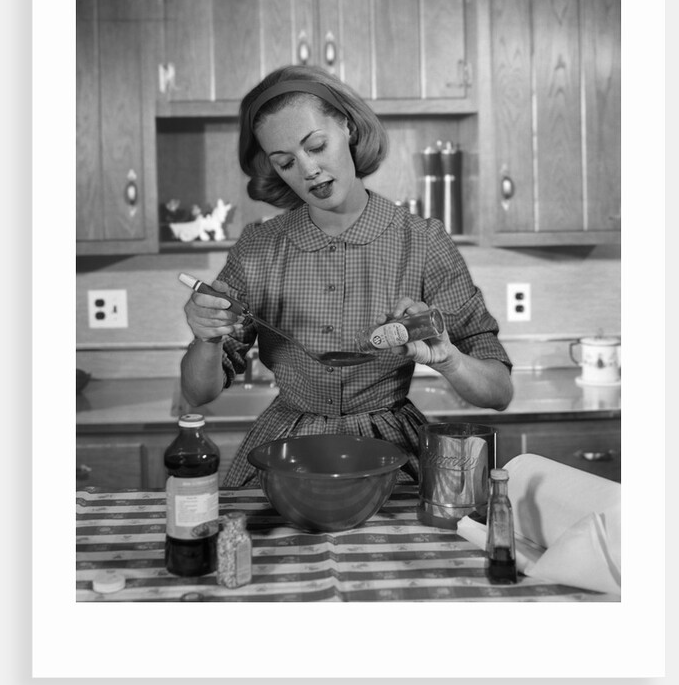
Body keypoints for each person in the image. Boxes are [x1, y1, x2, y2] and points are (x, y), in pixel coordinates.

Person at [180, 65, 513, 486]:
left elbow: (498, 392)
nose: (308, 170)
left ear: (348, 127)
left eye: (316, 146)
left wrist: (449, 359)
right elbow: (198, 393)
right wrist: (207, 337)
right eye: (285, 162)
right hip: (287, 451)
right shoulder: (258, 248)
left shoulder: (423, 241)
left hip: (395, 455)